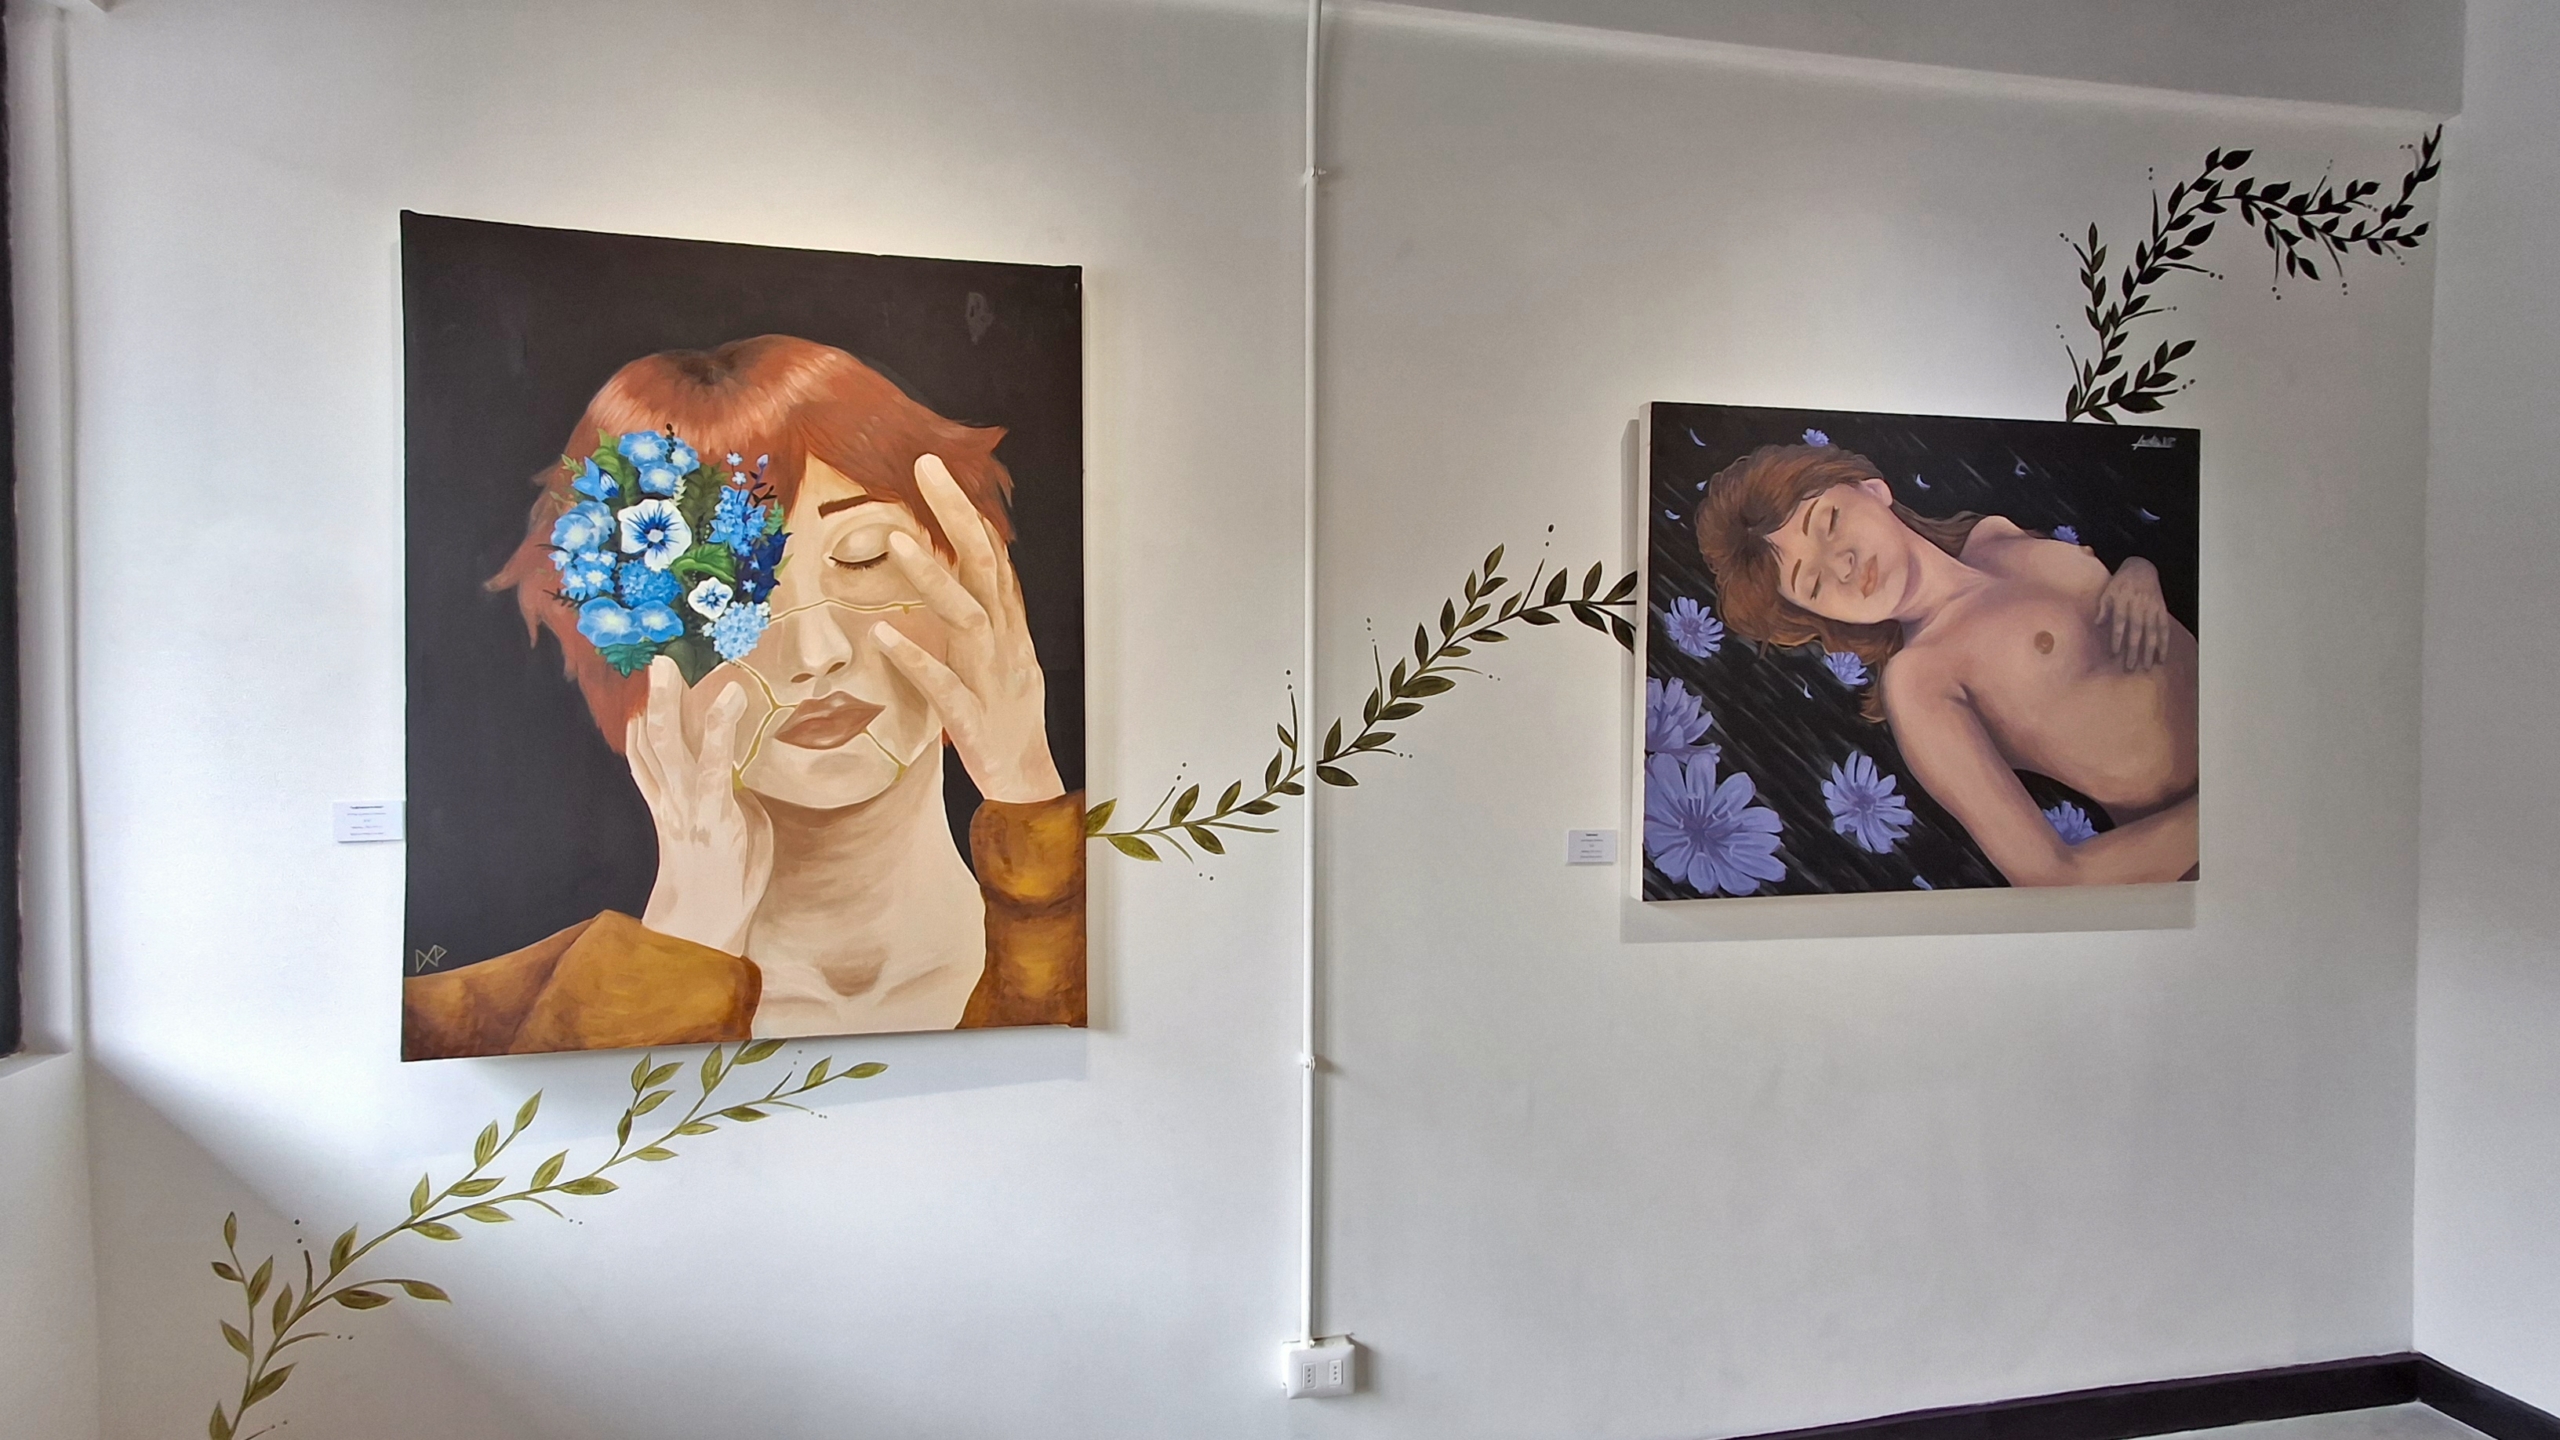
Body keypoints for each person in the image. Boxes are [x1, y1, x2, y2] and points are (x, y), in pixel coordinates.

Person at [404, 336, 1083, 1059]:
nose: (816, 653)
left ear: (976, 576)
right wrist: (685, 939)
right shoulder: (460, 1022)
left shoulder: (1104, 949)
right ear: (619, 639)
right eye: (723, 591)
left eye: (864, 556)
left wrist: (1029, 802)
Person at [1695, 443, 2196, 886]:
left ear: (1873, 489)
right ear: (1818, 617)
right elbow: (2052, 873)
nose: (1842, 565)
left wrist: (2138, 572)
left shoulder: (1994, 536)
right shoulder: (1919, 683)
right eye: (1814, 584)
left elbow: (2094, 601)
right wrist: (2229, 809)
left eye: (1829, 523)